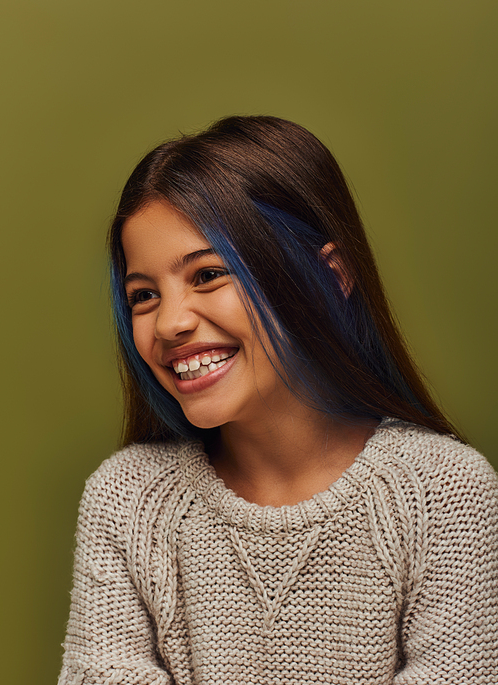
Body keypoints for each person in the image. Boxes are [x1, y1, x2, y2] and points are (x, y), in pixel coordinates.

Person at [58, 116, 497, 684]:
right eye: (143, 295)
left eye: (209, 274)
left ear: (329, 274)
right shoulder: (127, 502)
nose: (169, 323)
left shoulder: (445, 494)